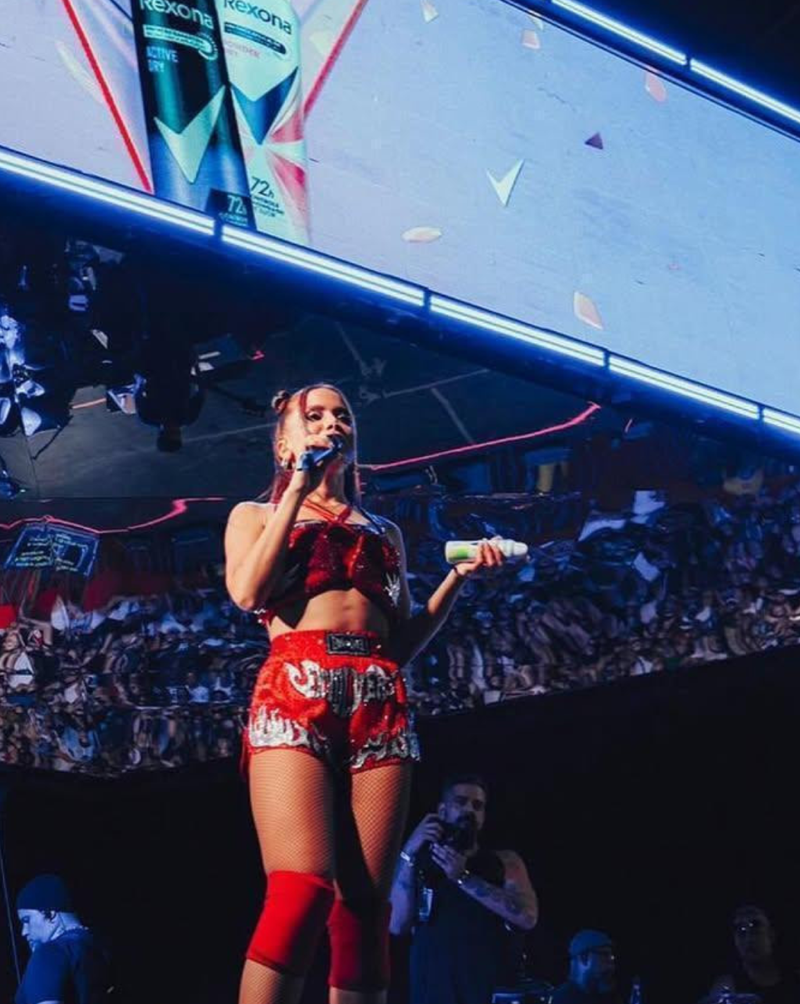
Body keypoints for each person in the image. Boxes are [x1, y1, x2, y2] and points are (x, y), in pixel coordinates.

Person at [225, 384, 510, 1004]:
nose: (333, 424)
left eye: (343, 416)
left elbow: (398, 643)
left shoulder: (384, 532)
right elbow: (247, 594)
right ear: (284, 444)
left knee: (364, 910)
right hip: (297, 688)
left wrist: (456, 579)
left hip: (380, 695)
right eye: (315, 416)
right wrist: (296, 490)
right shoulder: (255, 515)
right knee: (302, 890)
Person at [389, 774, 540, 1004]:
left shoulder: (504, 862)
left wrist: (463, 878)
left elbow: (527, 917)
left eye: (477, 805)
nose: (469, 810)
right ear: (442, 811)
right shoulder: (418, 862)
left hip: (486, 992)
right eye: (460, 802)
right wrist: (409, 850)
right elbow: (396, 925)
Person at [12, 874, 110, 1004]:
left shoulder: (49, 953)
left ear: (50, 914)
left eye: (27, 920)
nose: (23, 932)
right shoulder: (101, 949)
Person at [698, 905, 800, 1004]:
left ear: (771, 935)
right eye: (741, 933)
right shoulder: (726, 987)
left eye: (756, 931)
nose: (748, 940)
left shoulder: (799, 980)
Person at [551, 929, 619, 1004]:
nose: (611, 962)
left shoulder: (604, 997)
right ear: (584, 958)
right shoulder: (563, 999)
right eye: (605, 954)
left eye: (612, 956)